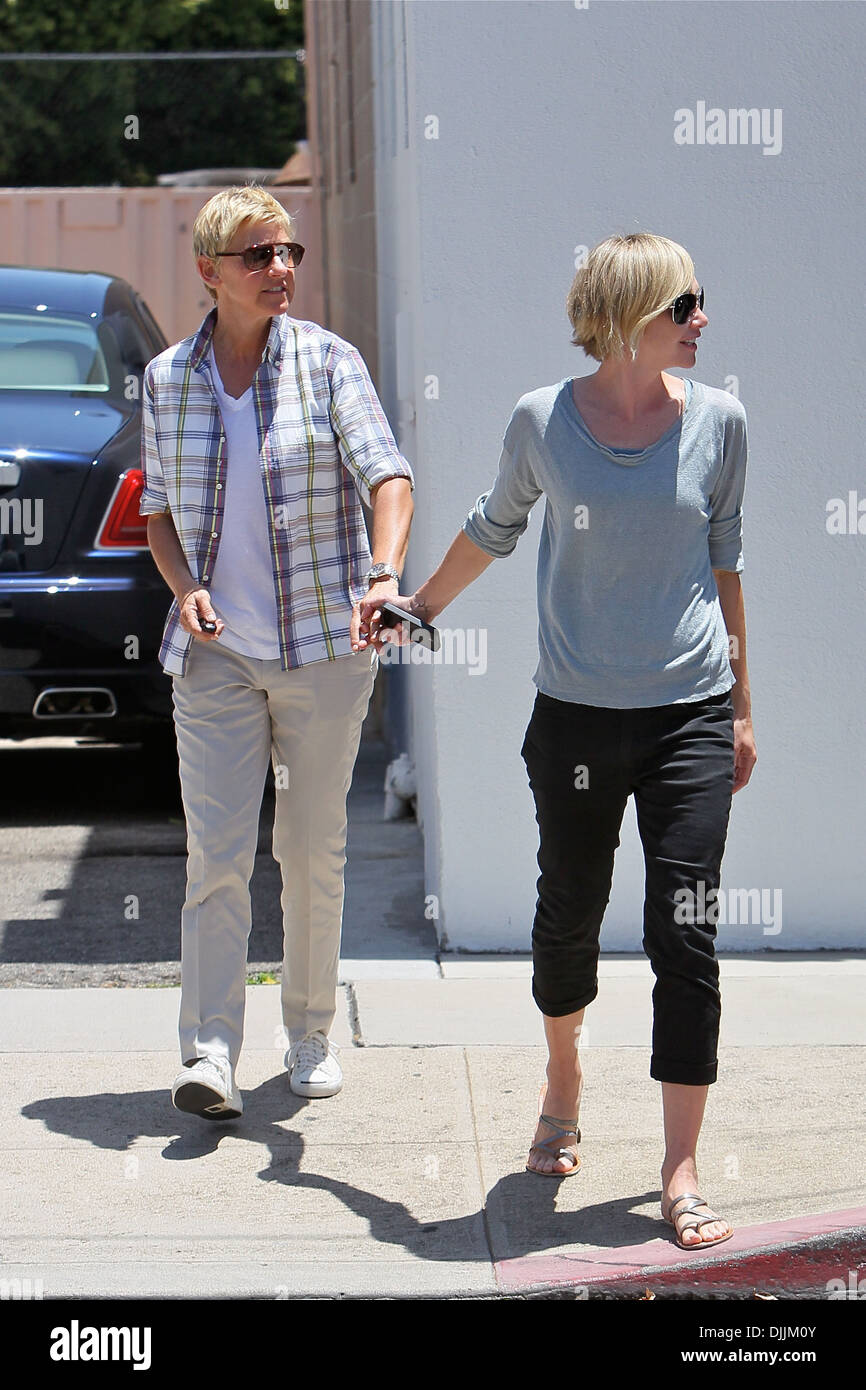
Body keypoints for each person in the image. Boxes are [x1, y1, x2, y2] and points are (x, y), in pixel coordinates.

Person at [357, 232, 755, 1250]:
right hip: (574, 718)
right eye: (683, 303)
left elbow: (726, 564)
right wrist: (414, 605)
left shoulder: (720, 423)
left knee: (686, 930)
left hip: (689, 716)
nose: (700, 319)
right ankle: (563, 1072)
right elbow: (494, 526)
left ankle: (678, 1168)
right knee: (568, 913)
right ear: (629, 315)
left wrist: (742, 709)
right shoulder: (542, 419)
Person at [140, 185, 414, 1119]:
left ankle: (307, 1034)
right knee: (215, 856)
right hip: (217, 654)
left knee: (309, 848)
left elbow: (389, 476)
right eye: (259, 256)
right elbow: (159, 519)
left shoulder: (331, 363)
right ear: (209, 271)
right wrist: (188, 590)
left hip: (323, 646)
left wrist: (382, 575)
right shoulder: (169, 378)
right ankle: (210, 1053)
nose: (281, 269)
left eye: (289, 251)